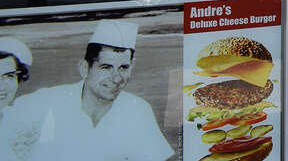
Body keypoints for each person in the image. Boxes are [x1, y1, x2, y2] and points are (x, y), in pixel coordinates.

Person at [18, 20, 172, 161]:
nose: (116, 78)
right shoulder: (46, 101)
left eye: (123, 68)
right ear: (85, 68)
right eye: (106, 67)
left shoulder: (137, 109)